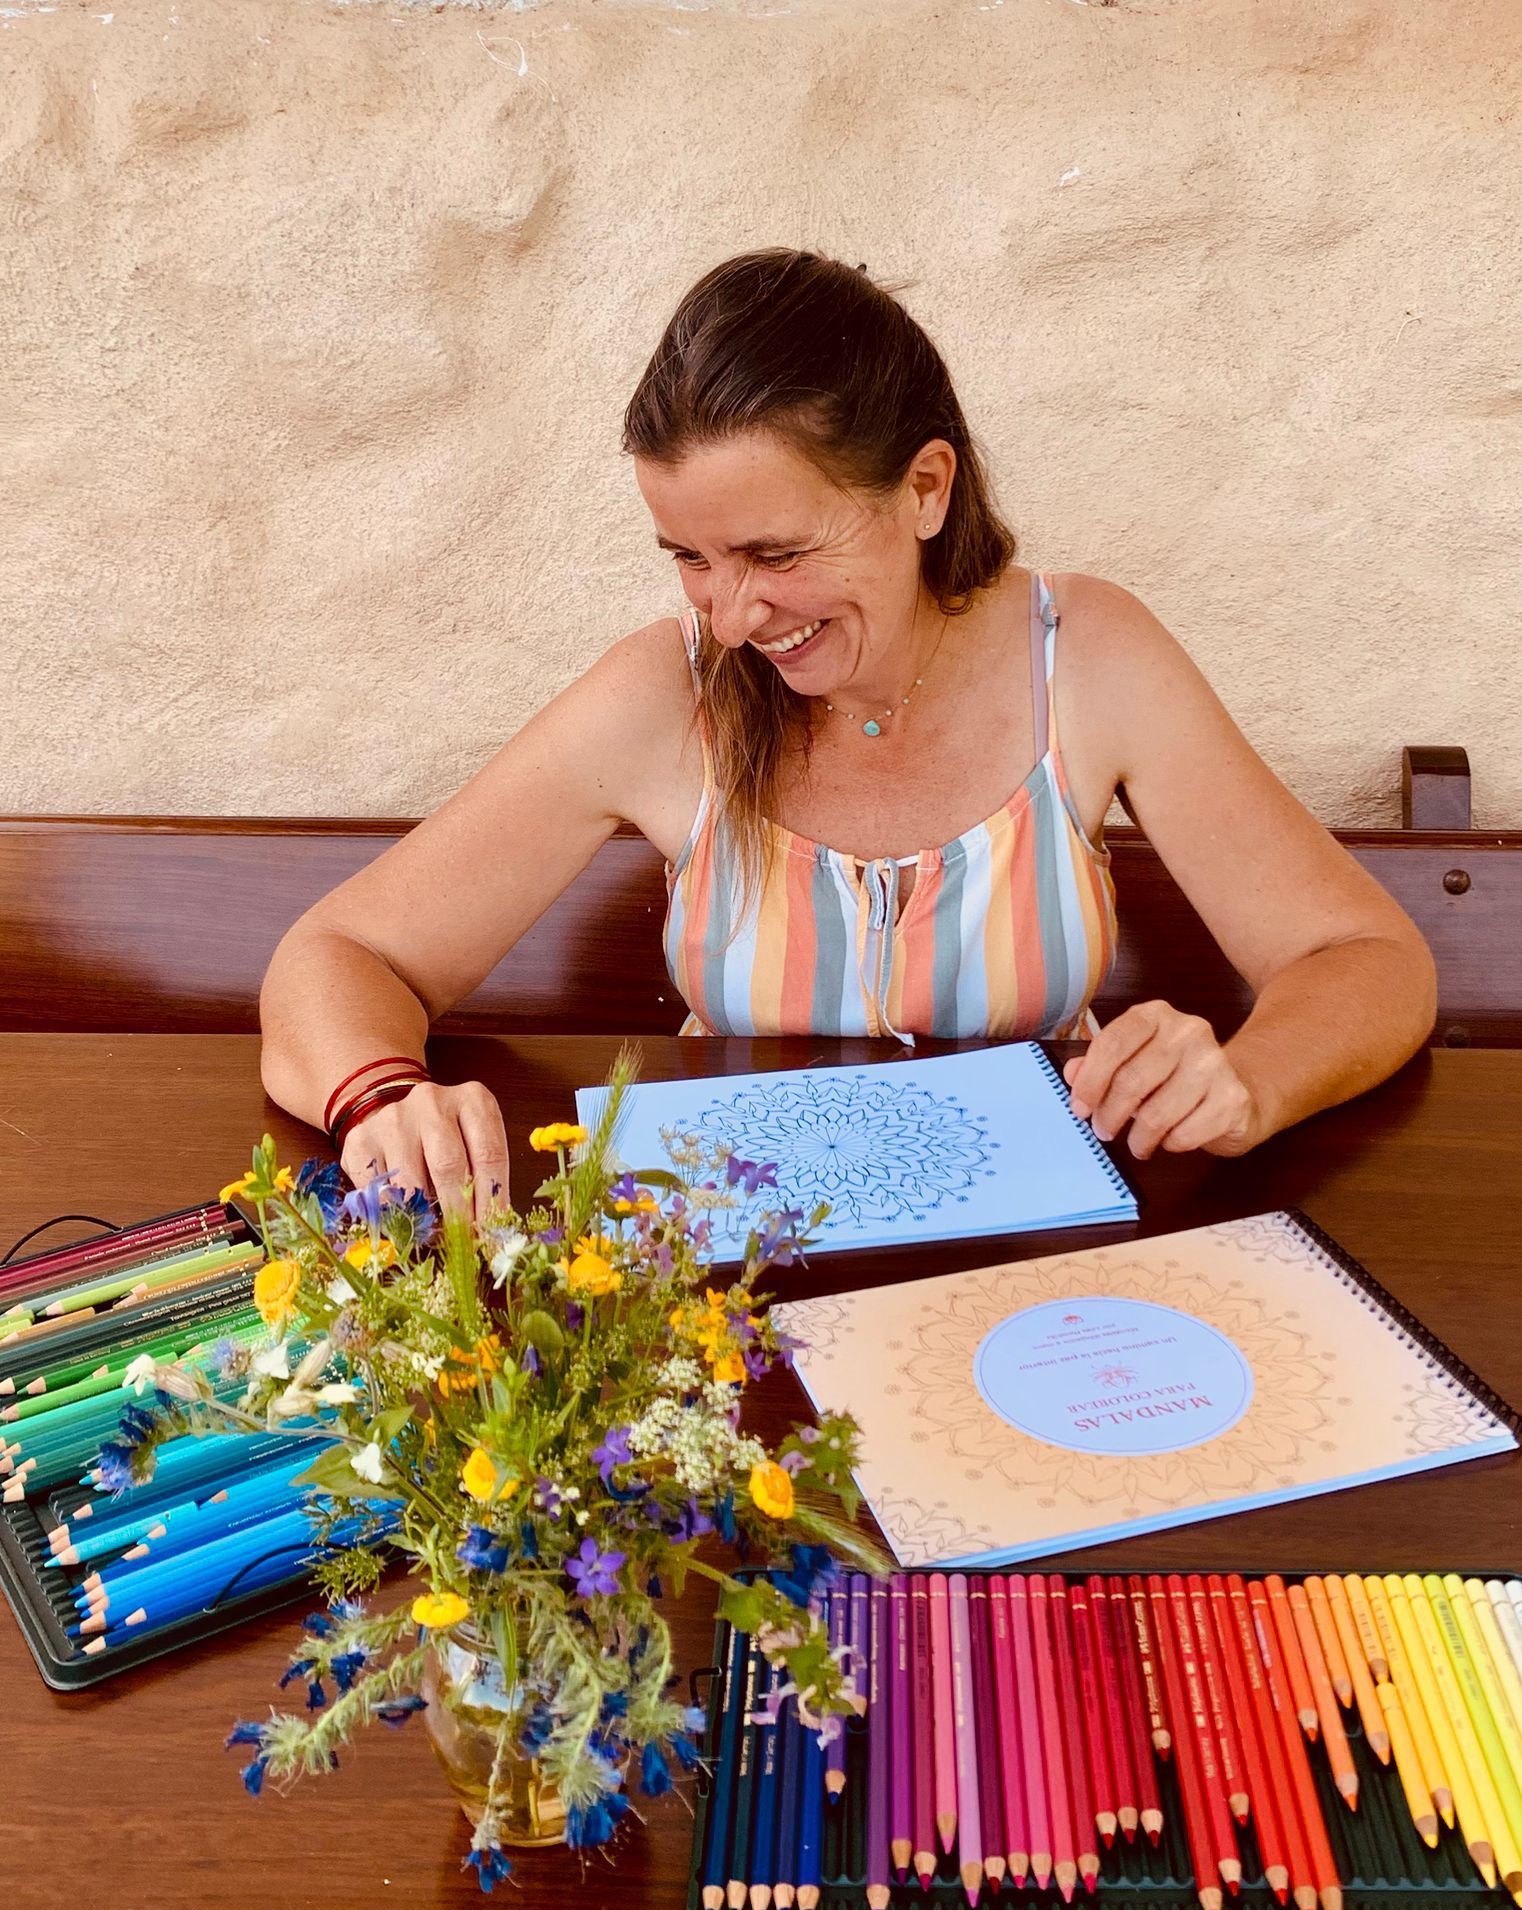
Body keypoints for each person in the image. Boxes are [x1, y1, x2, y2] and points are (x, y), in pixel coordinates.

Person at [258, 248, 1436, 1215]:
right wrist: (377, 1096)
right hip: (728, 1303)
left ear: (926, 489)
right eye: (690, 558)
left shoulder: (1087, 654)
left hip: (1036, 1277)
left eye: (776, 554)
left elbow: (1368, 963)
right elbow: (344, 953)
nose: (730, 614)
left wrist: (1244, 1080)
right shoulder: (667, 693)